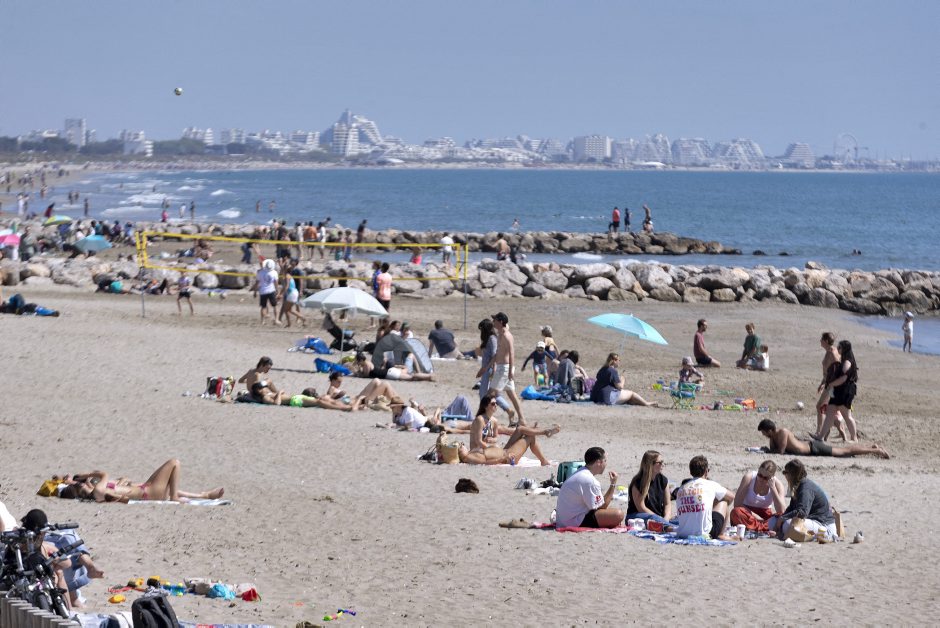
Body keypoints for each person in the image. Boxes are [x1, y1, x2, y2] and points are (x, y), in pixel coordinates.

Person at [456, 392, 559, 465]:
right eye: (493, 404)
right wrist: (490, 447)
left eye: (496, 403)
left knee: (520, 429)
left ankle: (545, 432)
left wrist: (493, 441)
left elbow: (496, 437)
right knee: (530, 437)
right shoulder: (480, 420)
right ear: (485, 406)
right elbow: (478, 441)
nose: (496, 405)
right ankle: (543, 459)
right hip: (500, 453)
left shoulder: (494, 421)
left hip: (499, 451)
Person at [58, 460, 223, 503]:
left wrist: (72, 480)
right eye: (80, 485)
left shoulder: (96, 489)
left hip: (145, 489)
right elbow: (103, 474)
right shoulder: (98, 491)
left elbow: (86, 482)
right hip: (148, 492)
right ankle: (174, 498)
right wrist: (89, 475)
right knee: (175, 463)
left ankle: (204, 495)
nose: (85, 482)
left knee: (170, 485)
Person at [554, 447, 624, 528]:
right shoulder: (590, 480)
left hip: (563, 519)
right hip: (573, 521)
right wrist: (613, 484)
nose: (606, 464)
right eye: (605, 461)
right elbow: (602, 506)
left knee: (610, 513)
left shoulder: (580, 472)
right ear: (598, 462)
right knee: (618, 514)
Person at [768, 459, 837, 541]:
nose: (785, 475)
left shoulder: (805, 488)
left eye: (785, 472)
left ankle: (823, 536)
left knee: (787, 524)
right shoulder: (797, 486)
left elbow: (802, 512)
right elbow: (791, 508)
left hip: (823, 525)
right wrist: (781, 518)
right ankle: (783, 533)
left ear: (792, 475)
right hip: (810, 520)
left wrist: (783, 519)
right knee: (772, 521)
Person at [758, 419, 889, 458]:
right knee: (845, 451)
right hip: (811, 449)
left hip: (813, 448)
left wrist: (767, 451)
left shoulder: (783, 432)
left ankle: (876, 450)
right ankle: (872, 448)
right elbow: (773, 450)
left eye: (764, 432)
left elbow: (780, 452)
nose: (764, 435)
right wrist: (768, 449)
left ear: (769, 430)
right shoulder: (772, 437)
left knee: (845, 451)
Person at [674, 455, 735, 540]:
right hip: (705, 533)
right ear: (706, 471)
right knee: (724, 500)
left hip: (683, 533)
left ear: (691, 472)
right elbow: (731, 497)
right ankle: (721, 534)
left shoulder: (681, 488)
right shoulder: (710, 484)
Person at [484, 312, 527, 425]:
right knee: (512, 395)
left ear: (500, 322)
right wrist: (486, 367)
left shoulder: (507, 336)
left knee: (490, 393)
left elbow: (512, 353)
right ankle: (522, 419)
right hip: (502, 367)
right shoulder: (500, 334)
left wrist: (510, 371)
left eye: (495, 320)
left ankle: (484, 418)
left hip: (505, 369)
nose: (493, 322)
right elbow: (497, 354)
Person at [818, 339, 861, 442]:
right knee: (829, 414)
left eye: (839, 347)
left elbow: (843, 378)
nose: (837, 349)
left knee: (847, 416)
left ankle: (854, 438)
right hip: (838, 391)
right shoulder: (844, 360)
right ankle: (820, 437)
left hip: (845, 392)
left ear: (844, 349)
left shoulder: (847, 362)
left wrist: (831, 383)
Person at [475, 319, 515, 423]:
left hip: (489, 370)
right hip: (486, 370)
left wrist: (492, 370)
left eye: (481, 329)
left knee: (485, 395)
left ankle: (484, 416)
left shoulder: (492, 339)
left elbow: (494, 355)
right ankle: (509, 411)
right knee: (494, 395)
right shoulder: (489, 339)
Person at [730, 461, 786, 533]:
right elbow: (737, 504)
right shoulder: (749, 477)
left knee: (782, 517)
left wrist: (773, 488)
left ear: (772, 477)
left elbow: (781, 510)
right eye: (760, 475)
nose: (761, 479)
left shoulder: (778, 484)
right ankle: (764, 529)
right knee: (736, 512)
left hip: (765, 516)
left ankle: (754, 528)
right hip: (747, 512)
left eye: (765, 478)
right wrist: (757, 517)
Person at [626, 450, 674, 527]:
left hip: (658, 516)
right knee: (654, 519)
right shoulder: (638, 482)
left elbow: (667, 504)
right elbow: (641, 508)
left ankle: (667, 526)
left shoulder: (663, 480)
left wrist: (666, 518)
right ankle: (668, 527)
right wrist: (659, 518)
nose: (663, 465)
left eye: (663, 462)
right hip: (638, 516)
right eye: (660, 462)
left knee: (679, 519)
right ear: (650, 464)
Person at [590, 353, 657, 406]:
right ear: (614, 361)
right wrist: (623, 379)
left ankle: (637, 402)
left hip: (594, 396)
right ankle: (647, 403)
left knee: (628, 398)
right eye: (619, 360)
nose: (619, 362)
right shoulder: (613, 371)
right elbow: (620, 387)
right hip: (605, 397)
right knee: (631, 393)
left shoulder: (602, 369)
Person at [813, 332, 845, 440]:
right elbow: (828, 371)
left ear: (826, 341)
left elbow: (839, 367)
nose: (820, 341)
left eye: (821, 339)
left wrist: (835, 383)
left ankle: (820, 432)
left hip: (832, 385)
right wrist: (822, 383)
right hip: (828, 383)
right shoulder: (829, 351)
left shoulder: (832, 352)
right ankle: (835, 431)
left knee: (820, 406)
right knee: (831, 408)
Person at [252, 259, 279, 325]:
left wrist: (255, 291)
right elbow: (276, 283)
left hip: (263, 291)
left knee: (263, 307)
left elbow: (257, 283)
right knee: (275, 306)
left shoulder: (260, 272)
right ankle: (276, 319)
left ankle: (262, 321)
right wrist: (277, 291)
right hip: (271, 290)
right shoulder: (274, 272)